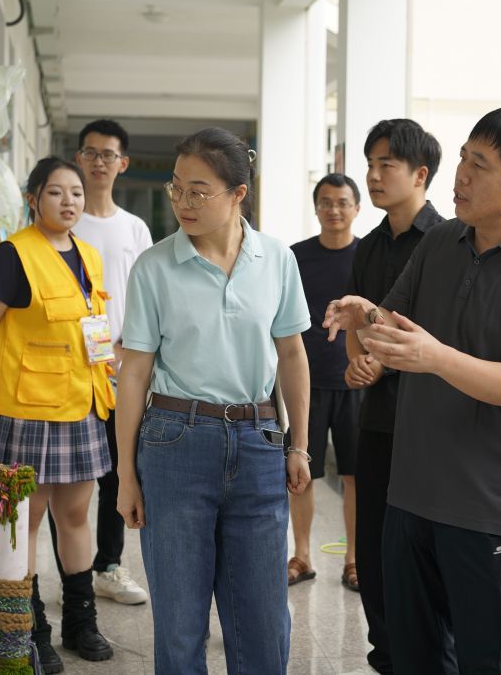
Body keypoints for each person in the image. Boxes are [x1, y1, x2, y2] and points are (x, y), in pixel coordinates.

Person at [324, 106, 501, 675]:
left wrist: (436, 357)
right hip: (410, 494)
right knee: (413, 658)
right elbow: (394, 326)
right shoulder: (442, 240)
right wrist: (364, 313)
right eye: (464, 158)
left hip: (487, 509)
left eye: (479, 165)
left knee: (484, 663)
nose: (460, 175)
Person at [114, 127, 312, 674]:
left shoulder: (276, 259)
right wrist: (126, 474)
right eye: (176, 188)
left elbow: (292, 354)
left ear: (237, 194)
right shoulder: (155, 266)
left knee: (263, 622)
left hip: (259, 442)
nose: (183, 202)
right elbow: (134, 373)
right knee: (180, 622)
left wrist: (299, 445)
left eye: (198, 192)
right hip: (174, 442)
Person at [0, 156, 116, 673]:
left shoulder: (89, 256)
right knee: (23, 523)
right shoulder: (12, 255)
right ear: (34, 199)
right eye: (56, 192)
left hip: (82, 403)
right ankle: (30, 631)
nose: (69, 201)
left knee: (75, 515)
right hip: (24, 411)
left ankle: (80, 621)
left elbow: (93, 329)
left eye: (76, 192)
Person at [345, 118, 445, 673]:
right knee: (374, 552)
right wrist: (358, 361)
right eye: (371, 164)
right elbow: (357, 319)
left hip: (428, 425)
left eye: (387, 164)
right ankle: (385, 656)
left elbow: (441, 331)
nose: (374, 175)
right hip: (378, 420)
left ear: (420, 174)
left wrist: (379, 360)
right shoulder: (369, 246)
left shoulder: (447, 242)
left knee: (420, 557)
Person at [45, 118, 153, 606]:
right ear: (79, 158)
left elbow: (148, 296)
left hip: (120, 369)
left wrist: (135, 352)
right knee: (66, 476)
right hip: (69, 370)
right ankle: (71, 574)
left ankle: (108, 566)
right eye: (90, 153)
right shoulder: (63, 222)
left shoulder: (134, 228)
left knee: (117, 469)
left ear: (122, 163)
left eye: (108, 155)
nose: (99, 162)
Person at [287, 173, 363, 592]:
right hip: (307, 383)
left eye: (342, 202)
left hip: (356, 382)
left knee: (355, 476)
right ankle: (302, 555)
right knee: (301, 474)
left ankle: (354, 559)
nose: (334, 210)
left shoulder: (367, 255)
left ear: (356, 208)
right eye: (326, 202)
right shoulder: (296, 257)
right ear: (316, 208)